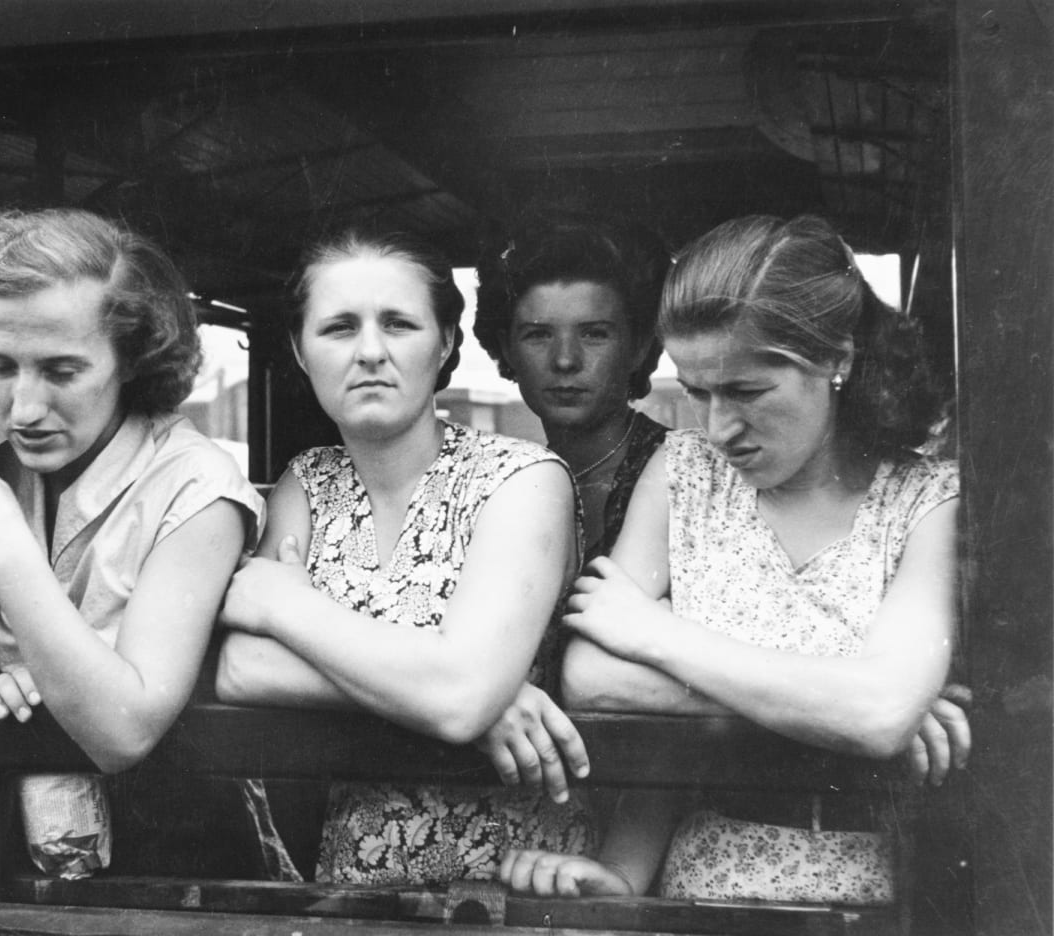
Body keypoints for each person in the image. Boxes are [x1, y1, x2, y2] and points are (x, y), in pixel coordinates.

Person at [500, 214, 968, 904]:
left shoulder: (926, 497)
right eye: (697, 392)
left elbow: (878, 712)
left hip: (863, 897)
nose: (718, 428)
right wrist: (836, 707)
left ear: (836, 357)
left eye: (747, 391)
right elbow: (593, 677)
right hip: (696, 884)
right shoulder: (682, 471)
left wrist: (660, 637)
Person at [215, 227, 596, 885]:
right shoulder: (307, 483)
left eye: (398, 324)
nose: (370, 352)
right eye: (337, 328)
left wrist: (283, 602)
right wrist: (444, 687)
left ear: (445, 342)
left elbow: (461, 697)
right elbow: (241, 670)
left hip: (516, 880)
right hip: (349, 882)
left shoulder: (522, 479)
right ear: (300, 353)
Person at [0, 207, 262, 873]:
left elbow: (125, 729)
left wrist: (5, 544)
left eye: (62, 370)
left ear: (133, 357)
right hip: (16, 851)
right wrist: (2, 689)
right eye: (0, 365)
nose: (24, 408)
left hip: (183, 864)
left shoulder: (198, 487)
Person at [470, 216, 670, 802]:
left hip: (651, 800)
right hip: (527, 793)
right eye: (536, 334)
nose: (564, 360)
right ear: (505, 349)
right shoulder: (501, 484)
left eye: (595, 333)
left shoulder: (682, 475)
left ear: (638, 347)